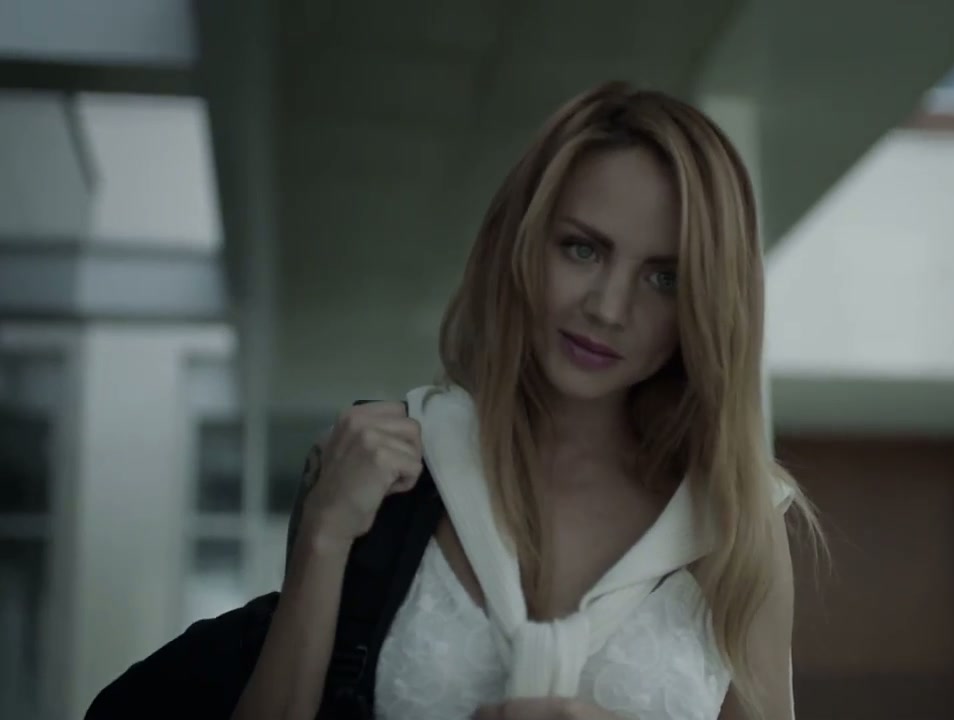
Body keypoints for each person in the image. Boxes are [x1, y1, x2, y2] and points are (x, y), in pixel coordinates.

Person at [233, 81, 822, 720]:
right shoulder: (386, 468)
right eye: (582, 249)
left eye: (664, 278)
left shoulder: (734, 521)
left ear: (706, 302)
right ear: (519, 242)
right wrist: (323, 535)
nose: (608, 308)